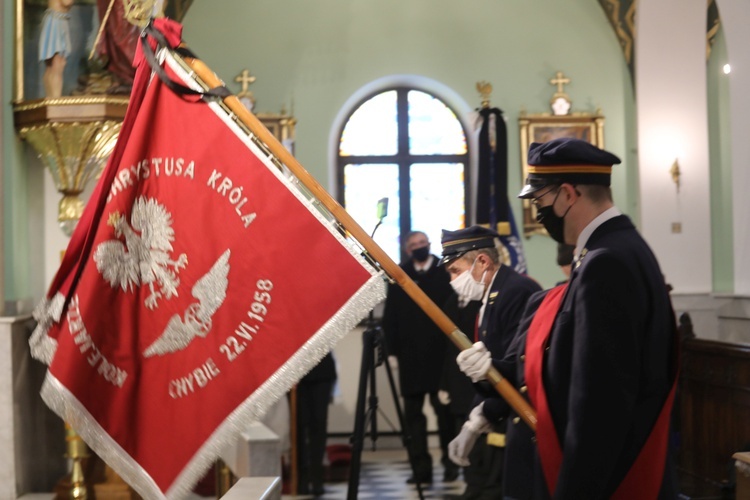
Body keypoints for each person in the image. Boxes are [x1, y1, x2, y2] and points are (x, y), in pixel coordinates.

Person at [457, 137, 679, 499]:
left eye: (540, 201)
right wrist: (494, 369)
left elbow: (600, 397)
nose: (538, 212)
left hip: (611, 477)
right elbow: (567, 363)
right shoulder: (610, 250)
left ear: (568, 194)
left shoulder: (606, 261)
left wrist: (574, 489)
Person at [441, 225, 541, 499]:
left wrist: (478, 421)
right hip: (503, 412)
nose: (452, 280)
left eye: (455, 271)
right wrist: (472, 422)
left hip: (521, 416)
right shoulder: (492, 296)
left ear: (482, 261)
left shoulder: (515, 291)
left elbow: (516, 368)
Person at [382, 231, 457, 484]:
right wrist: (391, 352)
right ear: (407, 250)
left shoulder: (444, 271)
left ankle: (450, 464)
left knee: (444, 414)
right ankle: (420, 469)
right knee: (413, 417)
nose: (419, 248)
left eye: (422, 243)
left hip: (440, 356)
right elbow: (390, 317)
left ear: (429, 245)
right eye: (414, 245)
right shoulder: (399, 275)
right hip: (409, 357)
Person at [296, 351, 337, 496]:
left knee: (318, 425)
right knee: (298, 428)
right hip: (296, 371)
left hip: (321, 369)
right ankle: (302, 476)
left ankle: (316, 476)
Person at [38, 0, 73, 98]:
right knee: (57, 64)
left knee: (53, 65)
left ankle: (51, 98)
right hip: (56, 21)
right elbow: (67, 2)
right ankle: (55, 99)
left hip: (57, 19)